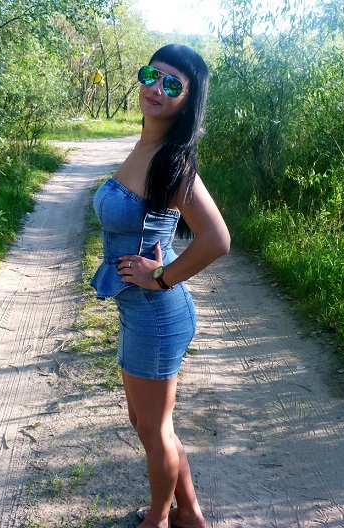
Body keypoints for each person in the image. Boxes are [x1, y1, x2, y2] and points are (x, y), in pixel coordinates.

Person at [90, 44, 230, 528]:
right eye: (152, 75)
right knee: (148, 424)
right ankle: (188, 513)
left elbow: (217, 239)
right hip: (139, 311)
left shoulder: (173, 163)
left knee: (154, 429)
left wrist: (161, 277)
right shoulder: (145, 145)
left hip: (156, 313)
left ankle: (157, 520)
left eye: (172, 84)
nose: (156, 88)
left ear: (187, 101)